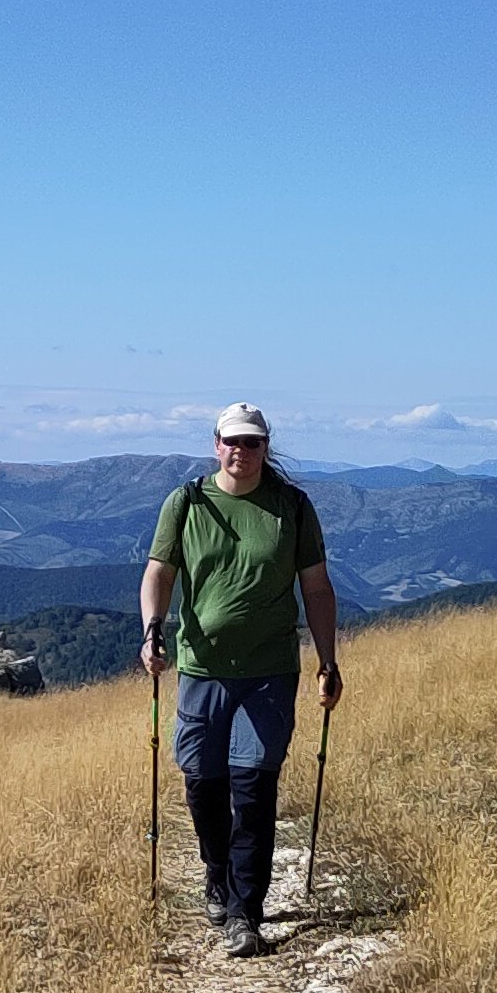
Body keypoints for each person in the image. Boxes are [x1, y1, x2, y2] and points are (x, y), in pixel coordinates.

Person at [137, 403, 343, 956]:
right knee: (203, 785)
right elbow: (159, 573)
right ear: (216, 443)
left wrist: (327, 660)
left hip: (269, 671)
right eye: (233, 441)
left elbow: (317, 590)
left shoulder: (292, 508)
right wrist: (152, 630)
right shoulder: (187, 504)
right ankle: (217, 871)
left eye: (252, 443)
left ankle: (244, 912)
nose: (241, 452)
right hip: (202, 669)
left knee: (253, 789)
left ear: (265, 448)